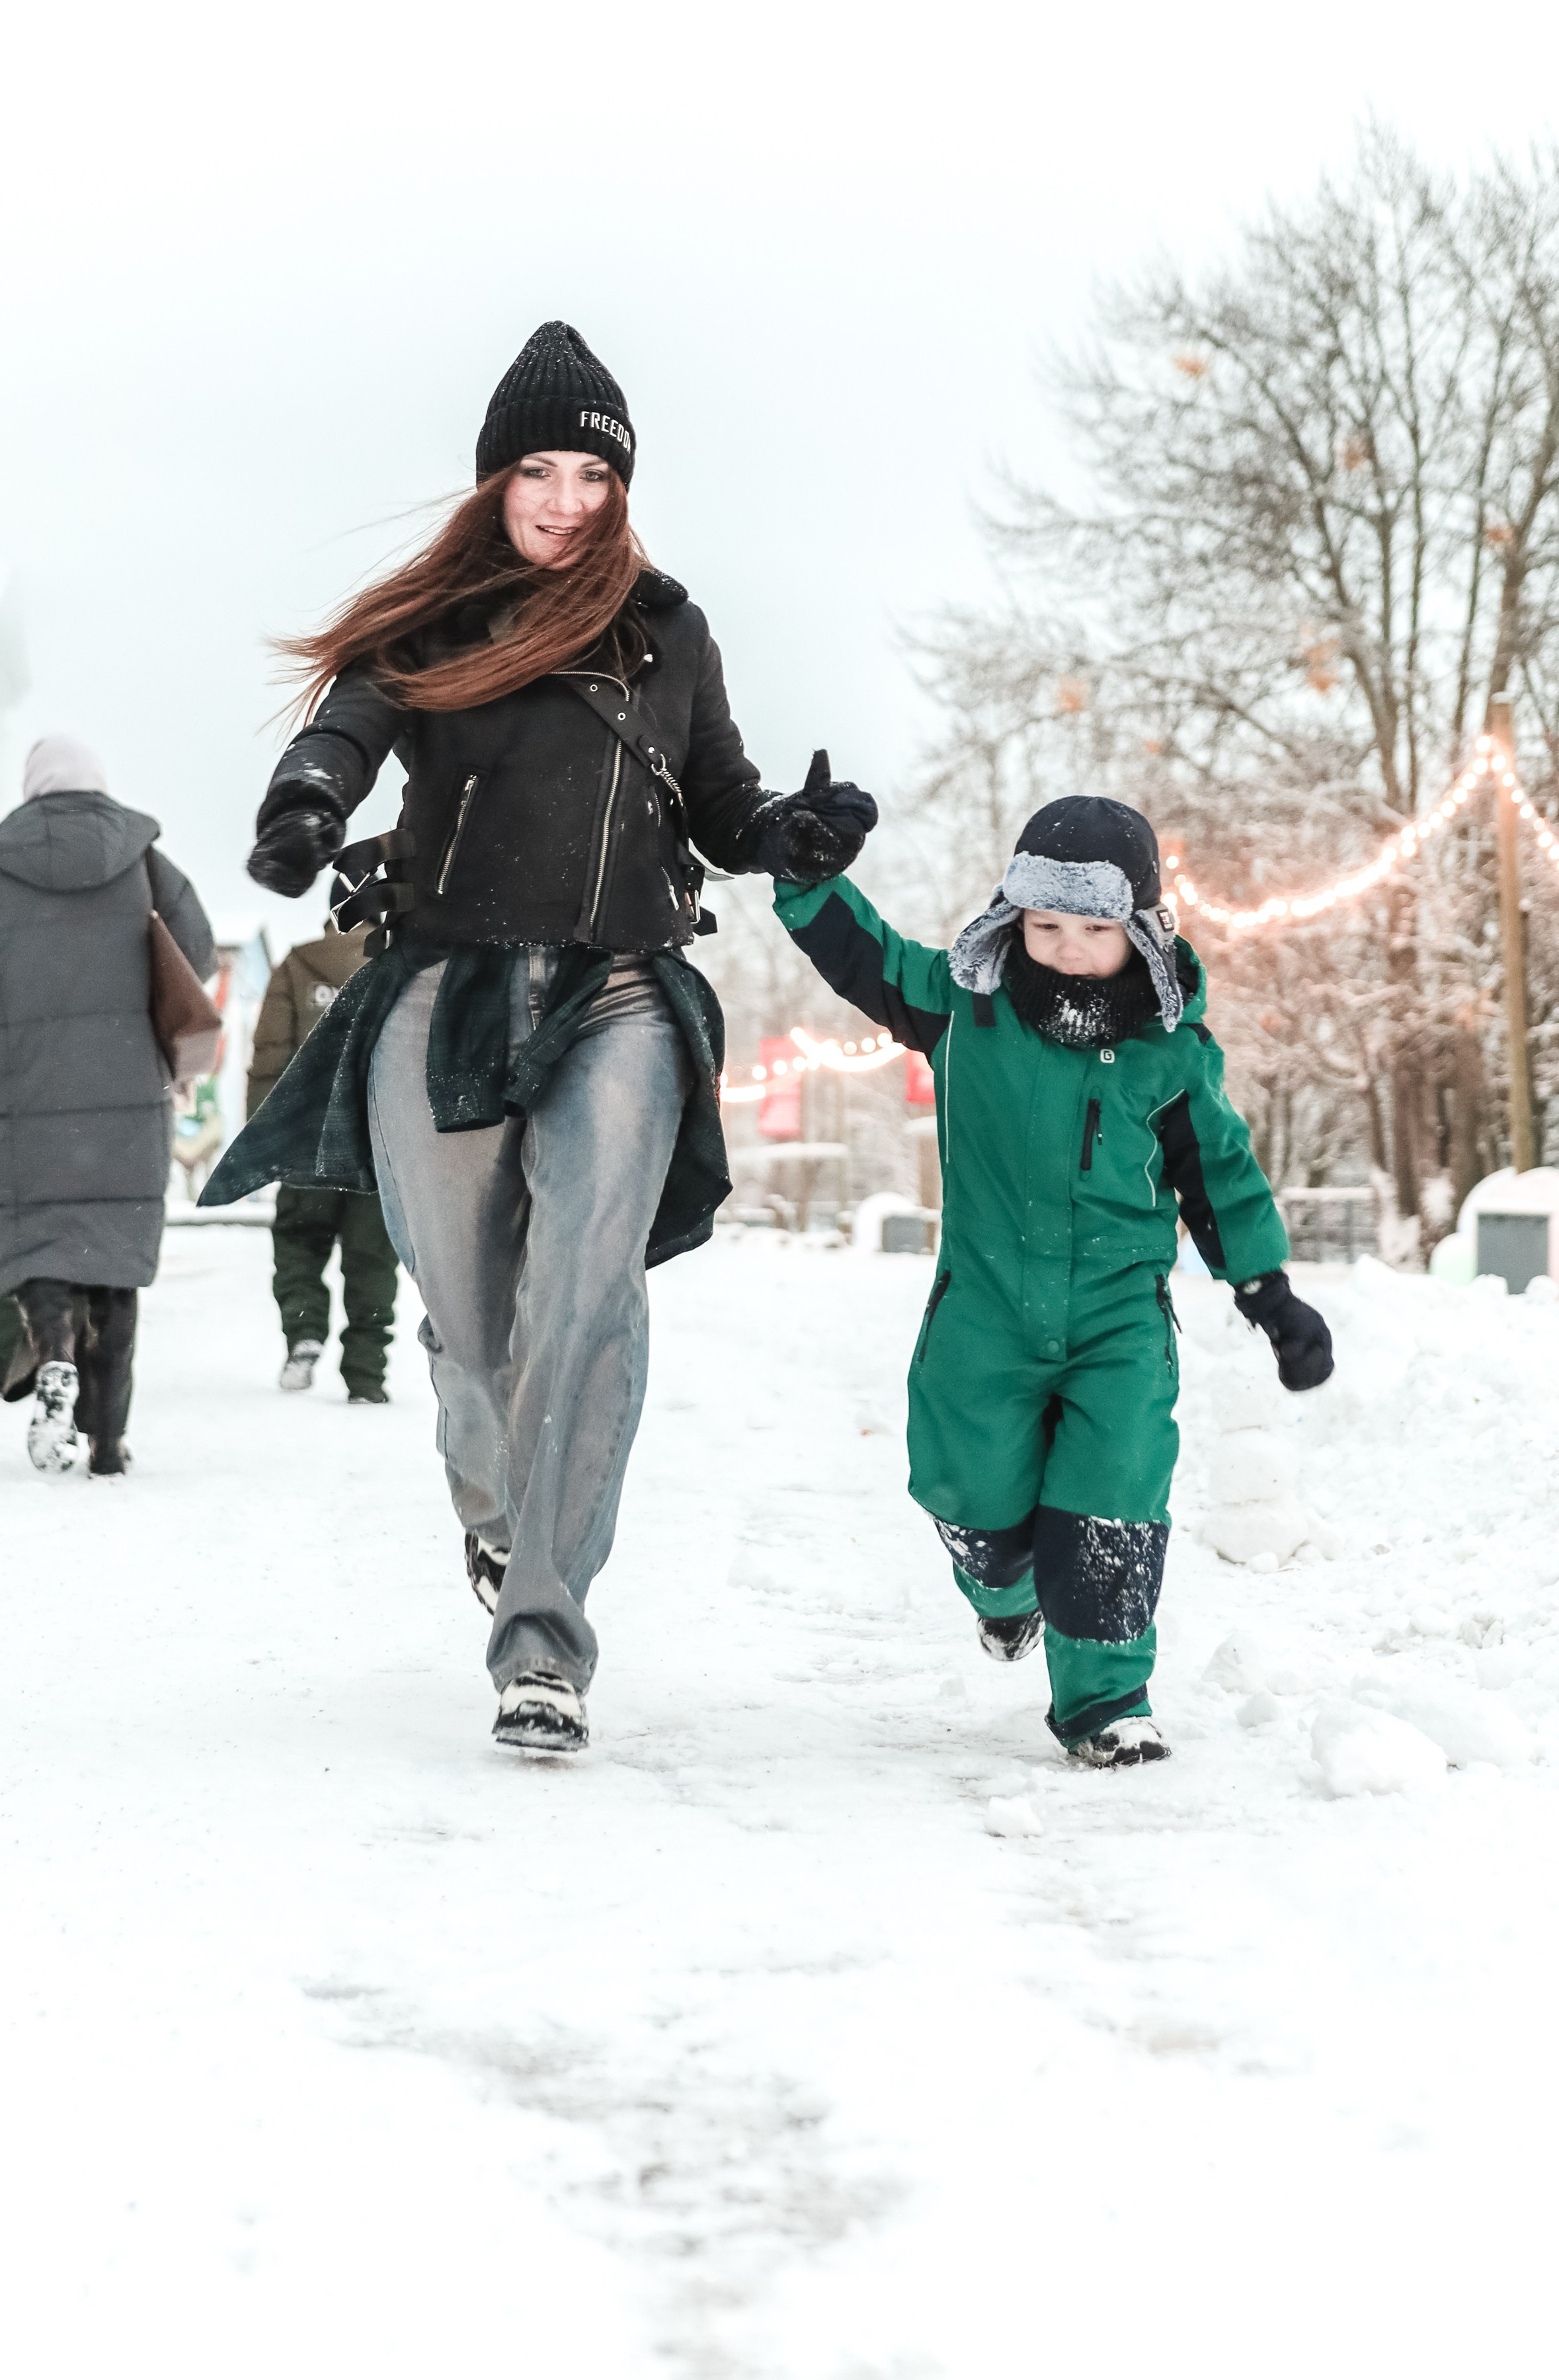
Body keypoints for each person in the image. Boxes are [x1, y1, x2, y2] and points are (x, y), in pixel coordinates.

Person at [202, 321, 875, 1751]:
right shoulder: (435, 622)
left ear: (622, 489)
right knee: (469, 1325)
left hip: (617, 992)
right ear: (494, 481)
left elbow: (720, 799)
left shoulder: (670, 627)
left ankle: (545, 1640)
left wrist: (789, 833)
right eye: (538, 472)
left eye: (593, 475)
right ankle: (501, 1509)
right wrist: (306, 805)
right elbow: (348, 727)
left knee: (585, 1300)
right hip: (445, 990)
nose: (566, 501)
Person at [776, 795, 1333, 1766]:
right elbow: (867, 957)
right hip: (982, 1316)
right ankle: (1002, 1591)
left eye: (1094, 930)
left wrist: (1266, 1292)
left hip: (1118, 1322)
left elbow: (1218, 1173)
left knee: (1110, 1502)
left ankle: (1107, 1701)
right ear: (1014, 920)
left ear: (1140, 931)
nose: (1069, 949)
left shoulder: (1169, 1053)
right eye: (1045, 927)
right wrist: (807, 874)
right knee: (967, 1490)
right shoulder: (964, 1007)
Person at [0, 734, 216, 1476]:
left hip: (22, 1092)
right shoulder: (145, 861)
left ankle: (54, 1352)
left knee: (37, 1243)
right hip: (126, 1092)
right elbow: (197, 954)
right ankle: (107, 1442)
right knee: (114, 1260)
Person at [247, 889, 399, 1402]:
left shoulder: (298, 965)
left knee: (299, 1241)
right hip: (376, 1142)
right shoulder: (402, 968)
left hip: (307, 1139)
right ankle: (366, 1374)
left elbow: (270, 1057)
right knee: (371, 1256)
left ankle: (304, 1333)